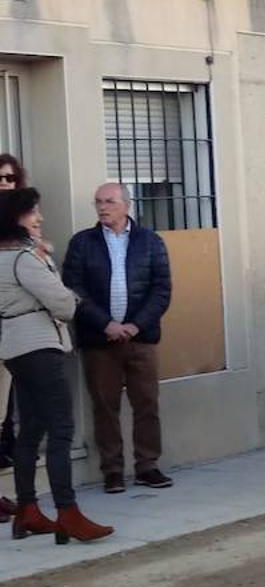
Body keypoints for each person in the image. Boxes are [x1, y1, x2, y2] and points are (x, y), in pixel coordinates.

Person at [0, 187, 113, 543]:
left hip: (16, 348)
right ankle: (68, 512)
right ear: (16, 219)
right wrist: (63, 290)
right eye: (33, 212)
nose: (39, 218)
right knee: (61, 429)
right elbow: (64, 304)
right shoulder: (22, 259)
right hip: (39, 347)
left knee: (30, 429)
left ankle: (29, 510)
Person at [63, 183, 173, 494]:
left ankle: (147, 465)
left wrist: (136, 325)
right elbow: (73, 288)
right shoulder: (83, 243)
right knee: (104, 405)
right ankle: (112, 469)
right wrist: (106, 324)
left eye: (109, 201)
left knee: (147, 402)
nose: (102, 207)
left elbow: (161, 290)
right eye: (98, 202)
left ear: (127, 204)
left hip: (141, 338)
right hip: (100, 340)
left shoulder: (150, 242)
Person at [0, 152, 26, 478]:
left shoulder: (22, 215)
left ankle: (8, 444)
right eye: (0, 179)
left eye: (10, 178)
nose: (5, 184)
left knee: (10, 385)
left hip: (15, 318)